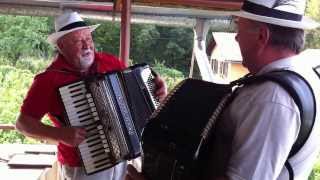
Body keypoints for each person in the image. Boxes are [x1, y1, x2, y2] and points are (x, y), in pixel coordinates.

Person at [125, 0, 320, 180]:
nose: (236, 37)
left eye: (239, 29)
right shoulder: (299, 77)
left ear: (262, 36)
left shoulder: (272, 98)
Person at [15, 11, 167, 180]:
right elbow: (23, 124)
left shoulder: (110, 62)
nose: (87, 45)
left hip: (121, 155)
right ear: (62, 46)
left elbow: (135, 90)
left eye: (88, 38)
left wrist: (156, 87)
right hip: (81, 166)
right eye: (77, 41)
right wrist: (59, 135)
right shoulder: (48, 80)